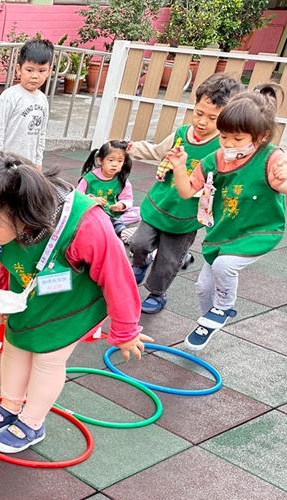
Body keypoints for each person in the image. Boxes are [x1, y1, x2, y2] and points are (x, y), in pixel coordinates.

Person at [0, 151, 149, 454]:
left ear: (20, 209)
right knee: (15, 346)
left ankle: (32, 422)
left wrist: (125, 331)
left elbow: (117, 275)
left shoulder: (85, 223)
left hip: (70, 304)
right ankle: (10, 406)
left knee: (48, 358)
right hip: (30, 294)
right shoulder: (1, 224)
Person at [168, 85, 287, 351]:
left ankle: (223, 308)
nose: (229, 144)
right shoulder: (215, 160)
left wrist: (282, 181)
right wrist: (178, 167)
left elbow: (283, 181)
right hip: (223, 233)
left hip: (259, 231)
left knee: (224, 266)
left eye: (237, 138)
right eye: (224, 136)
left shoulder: (271, 157)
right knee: (203, 286)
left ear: (261, 136)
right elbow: (187, 191)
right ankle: (209, 320)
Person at [127, 75, 244, 314]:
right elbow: (157, 151)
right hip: (160, 203)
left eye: (212, 118)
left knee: (169, 259)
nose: (202, 122)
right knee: (138, 243)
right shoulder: (181, 134)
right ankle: (140, 262)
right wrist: (133, 147)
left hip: (186, 215)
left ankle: (157, 292)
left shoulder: (223, 148)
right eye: (199, 113)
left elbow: (231, 178)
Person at [0, 39, 54, 168]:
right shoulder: (10, 96)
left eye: (41, 71)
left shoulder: (43, 99)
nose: (35, 76)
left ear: (49, 71)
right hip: (7, 163)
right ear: (19, 69)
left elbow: (41, 133)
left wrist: (38, 161)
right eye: (29, 70)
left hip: (29, 165)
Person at [77, 140, 140, 239]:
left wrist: (121, 205)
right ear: (100, 160)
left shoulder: (122, 180)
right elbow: (77, 197)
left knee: (140, 212)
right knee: (81, 215)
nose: (115, 164)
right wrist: (92, 200)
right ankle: (115, 226)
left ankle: (112, 223)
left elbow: (128, 199)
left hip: (112, 213)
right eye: (111, 160)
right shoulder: (89, 178)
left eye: (120, 161)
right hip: (93, 212)